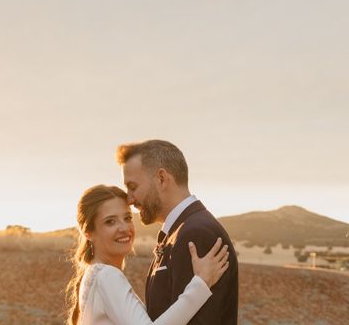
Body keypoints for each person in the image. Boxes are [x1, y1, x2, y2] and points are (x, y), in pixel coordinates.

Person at [65, 184, 229, 325]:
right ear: (88, 233)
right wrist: (201, 283)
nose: (124, 228)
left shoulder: (94, 274)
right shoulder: (106, 276)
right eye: (110, 221)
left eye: (127, 217)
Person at [117, 139, 239, 325]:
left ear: (161, 179)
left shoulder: (197, 234)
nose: (130, 199)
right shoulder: (181, 231)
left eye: (133, 187)